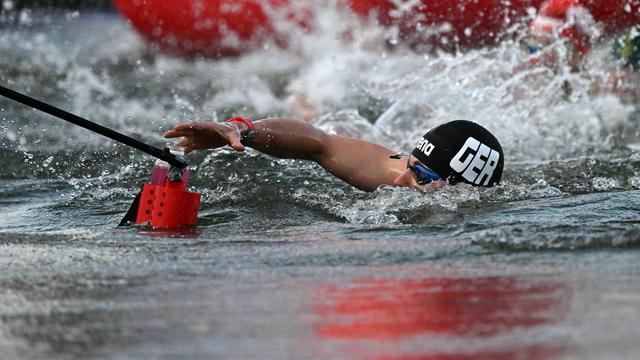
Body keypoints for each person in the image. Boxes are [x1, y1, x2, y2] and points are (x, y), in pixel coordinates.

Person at [163, 117, 504, 192]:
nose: (399, 178)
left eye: (421, 177)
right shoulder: (394, 173)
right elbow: (319, 142)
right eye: (408, 164)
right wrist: (239, 131)